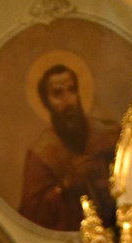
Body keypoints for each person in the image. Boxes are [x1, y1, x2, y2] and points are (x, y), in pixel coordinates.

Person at [16, 60, 118, 232]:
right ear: (46, 102)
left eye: (72, 90)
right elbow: (31, 213)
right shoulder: (42, 154)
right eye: (57, 93)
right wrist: (65, 186)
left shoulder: (109, 134)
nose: (68, 100)